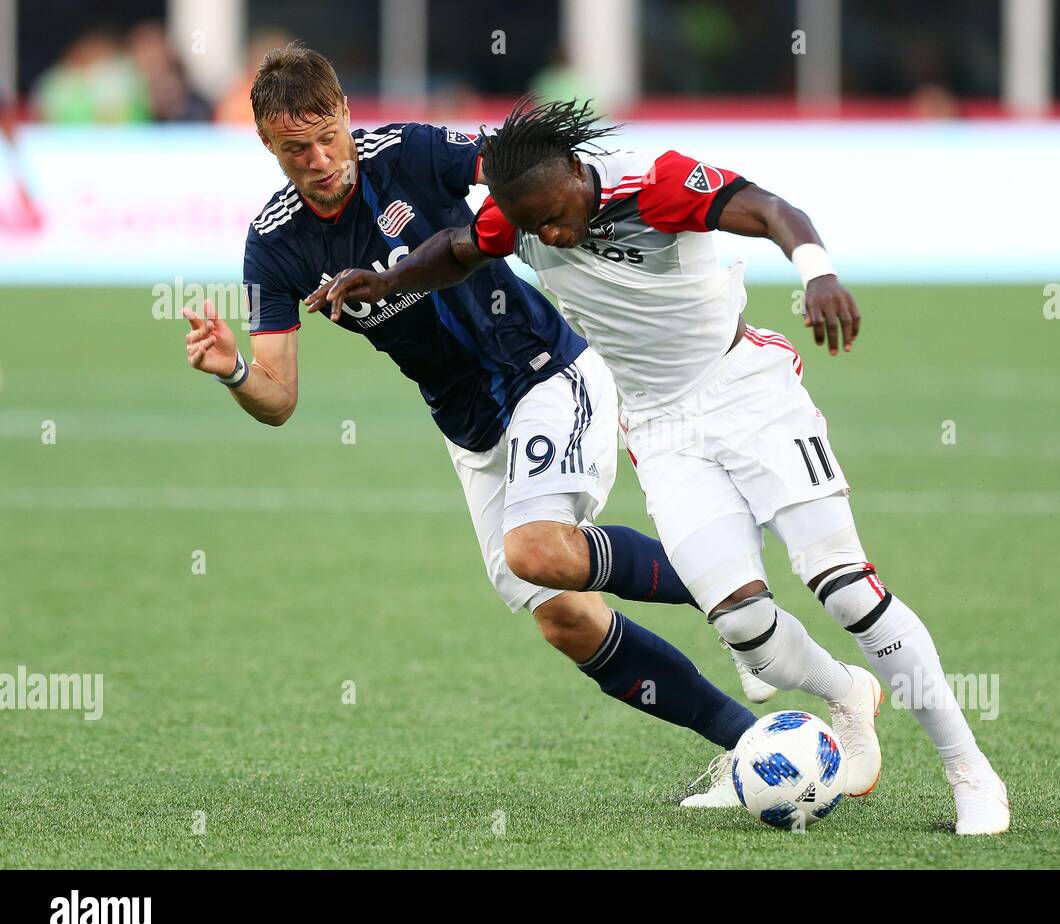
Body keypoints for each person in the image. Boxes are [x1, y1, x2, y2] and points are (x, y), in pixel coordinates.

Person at [315, 99, 1010, 834]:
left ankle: (969, 770)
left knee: (845, 592)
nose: (549, 234)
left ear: (579, 177)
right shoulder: (516, 216)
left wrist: (817, 273)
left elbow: (774, 209)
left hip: (746, 392)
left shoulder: (656, 184)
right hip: (660, 427)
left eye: (556, 215)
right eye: (534, 226)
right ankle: (846, 695)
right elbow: (457, 249)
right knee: (744, 627)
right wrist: (386, 284)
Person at [181, 46, 760, 792]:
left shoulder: (411, 152)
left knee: (537, 547)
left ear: (348, 116)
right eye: (296, 149)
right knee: (563, 619)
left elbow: (526, 171)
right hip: (468, 429)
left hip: (546, 374)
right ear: (267, 145)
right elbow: (279, 398)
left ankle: (736, 591)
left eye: (329, 136)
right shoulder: (275, 244)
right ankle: (750, 741)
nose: (320, 159)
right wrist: (232, 368)